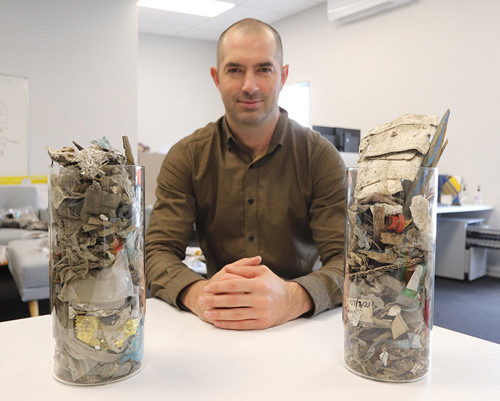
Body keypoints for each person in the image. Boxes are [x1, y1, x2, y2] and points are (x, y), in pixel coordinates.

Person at [145, 18, 346, 330]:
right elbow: (155, 252)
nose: (249, 86)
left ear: (284, 76)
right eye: (235, 69)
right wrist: (199, 295)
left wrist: (292, 297)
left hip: (302, 324)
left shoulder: (319, 157)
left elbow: (349, 261)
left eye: (264, 69)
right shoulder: (187, 157)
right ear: (217, 77)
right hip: (215, 319)